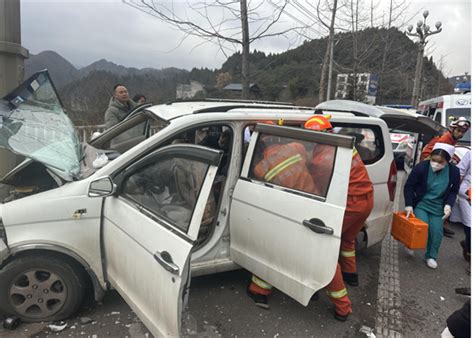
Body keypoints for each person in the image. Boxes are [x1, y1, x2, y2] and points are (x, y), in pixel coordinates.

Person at [304, 115, 374, 321]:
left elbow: (317, 191)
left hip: (350, 205)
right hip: (366, 201)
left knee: (323, 249)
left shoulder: (320, 160)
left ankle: (342, 307)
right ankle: (351, 275)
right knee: (347, 240)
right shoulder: (344, 146)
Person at [247, 127, 315, 310]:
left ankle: (259, 292)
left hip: (287, 209)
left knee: (271, 249)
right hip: (314, 205)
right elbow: (309, 162)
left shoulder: (259, 168)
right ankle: (310, 288)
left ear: (260, 148)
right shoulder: (295, 147)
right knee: (305, 251)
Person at [404, 143, 460, 269]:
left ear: (448, 161)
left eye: (440, 161)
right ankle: (410, 243)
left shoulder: (454, 172)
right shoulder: (421, 167)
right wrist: (408, 204)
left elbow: (453, 191)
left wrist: (448, 205)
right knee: (422, 227)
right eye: (433, 160)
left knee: (436, 232)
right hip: (422, 203)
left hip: (438, 206)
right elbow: (409, 185)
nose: (435, 163)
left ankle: (431, 256)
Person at [420, 116, 470, 238]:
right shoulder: (445, 139)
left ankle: (440, 223)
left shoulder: (452, 140)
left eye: (463, 132)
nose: (461, 134)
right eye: (459, 131)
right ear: (452, 129)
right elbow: (429, 155)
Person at [449, 150, 471, 266]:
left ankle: (467, 245)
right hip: (468, 195)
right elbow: (460, 172)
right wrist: (453, 190)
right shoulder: (470, 154)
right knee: (470, 226)